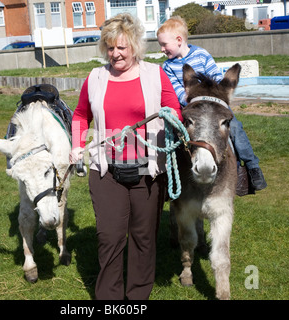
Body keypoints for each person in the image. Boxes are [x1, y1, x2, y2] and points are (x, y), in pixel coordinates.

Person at [69, 13, 182, 300]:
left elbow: (173, 110)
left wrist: (173, 124)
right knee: (109, 238)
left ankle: (137, 298)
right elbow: (81, 115)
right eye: (110, 47)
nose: (115, 53)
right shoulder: (95, 77)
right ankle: (109, 300)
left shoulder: (156, 75)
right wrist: (76, 144)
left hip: (148, 171)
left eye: (122, 47)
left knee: (144, 239)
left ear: (134, 46)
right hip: (107, 171)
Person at [157, 16, 267, 193]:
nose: (162, 49)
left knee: (236, 128)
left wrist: (213, 95)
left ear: (179, 40)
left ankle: (250, 167)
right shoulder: (168, 67)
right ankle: (171, 175)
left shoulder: (201, 54)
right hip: (190, 107)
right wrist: (192, 99)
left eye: (164, 44)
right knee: (173, 135)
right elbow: (177, 90)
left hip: (214, 104)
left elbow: (216, 77)